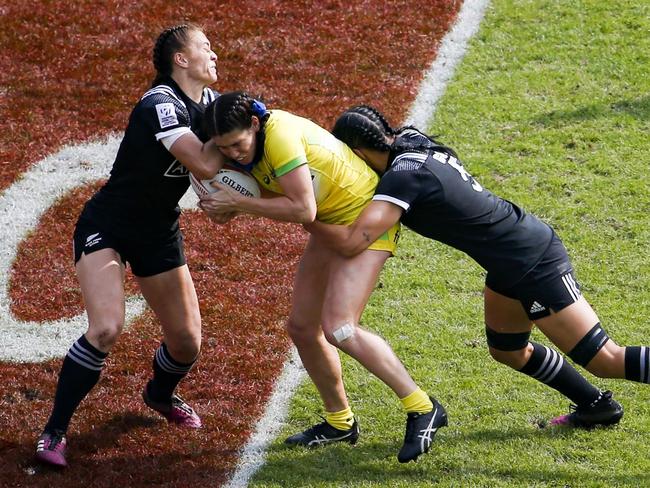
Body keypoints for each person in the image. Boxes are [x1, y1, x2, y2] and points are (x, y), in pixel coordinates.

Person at [307, 104, 650, 431]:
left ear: (359, 152)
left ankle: (596, 398)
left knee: (605, 359)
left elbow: (354, 242)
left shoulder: (401, 178)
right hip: (508, 263)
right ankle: (595, 406)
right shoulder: (413, 142)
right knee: (508, 350)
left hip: (533, 260)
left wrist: (306, 216)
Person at [198, 91, 447, 463]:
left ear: (254, 123)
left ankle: (423, 406)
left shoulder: (279, 134)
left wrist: (237, 203)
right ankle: (340, 422)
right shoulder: (234, 139)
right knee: (302, 327)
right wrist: (217, 199)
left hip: (365, 217)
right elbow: (213, 168)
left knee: (341, 328)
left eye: (237, 144)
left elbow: (302, 208)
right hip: (330, 222)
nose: (232, 153)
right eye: (224, 147)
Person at [35, 23, 226, 468]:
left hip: (158, 231)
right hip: (109, 225)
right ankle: (54, 432)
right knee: (106, 328)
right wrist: (235, 149)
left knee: (186, 344)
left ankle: (159, 395)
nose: (214, 54)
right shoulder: (159, 103)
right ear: (181, 59)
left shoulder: (212, 104)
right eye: (205, 47)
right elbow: (201, 160)